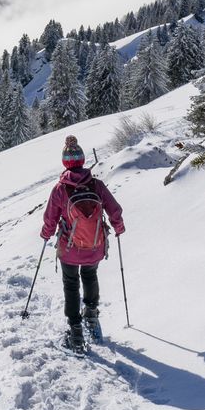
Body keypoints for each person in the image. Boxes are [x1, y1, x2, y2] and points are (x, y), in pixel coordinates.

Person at [39, 134, 125, 351]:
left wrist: (46, 234)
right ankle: (92, 315)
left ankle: (76, 331)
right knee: (90, 275)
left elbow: (50, 217)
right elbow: (114, 209)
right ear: (83, 160)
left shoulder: (60, 188)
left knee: (70, 283)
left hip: (69, 248)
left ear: (64, 162)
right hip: (95, 245)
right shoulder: (96, 185)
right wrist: (118, 226)